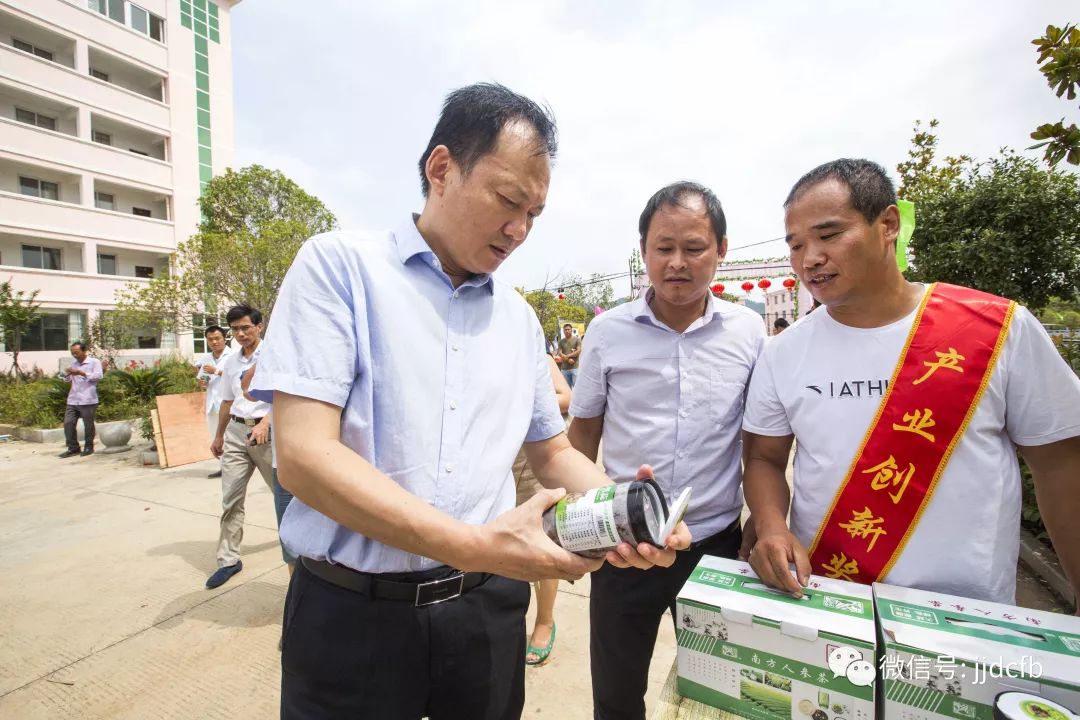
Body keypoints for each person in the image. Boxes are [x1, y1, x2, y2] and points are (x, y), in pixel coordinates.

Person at [248, 82, 691, 720]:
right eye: (508, 201)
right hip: (353, 615)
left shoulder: (517, 320)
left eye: (535, 214)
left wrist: (625, 514)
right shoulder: (340, 268)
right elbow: (305, 456)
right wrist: (474, 544)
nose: (519, 230)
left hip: (485, 614)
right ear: (441, 169)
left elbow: (554, 451)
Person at [742, 158, 1080, 606]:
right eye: (796, 244)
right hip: (827, 598)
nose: (810, 259)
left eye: (828, 236)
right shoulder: (782, 353)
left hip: (968, 618)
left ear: (888, 224)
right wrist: (772, 526)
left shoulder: (998, 328)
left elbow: (1060, 465)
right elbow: (765, 458)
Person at [568, 182, 765, 720]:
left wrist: (764, 519)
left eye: (694, 247)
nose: (677, 262)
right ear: (644, 250)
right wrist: (577, 525)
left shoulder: (749, 332)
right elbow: (581, 434)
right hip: (623, 546)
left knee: (720, 694)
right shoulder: (608, 332)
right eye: (663, 248)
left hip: (715, 547)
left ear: (721, 250)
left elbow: (759, 441)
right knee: (616, 689)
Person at [205, 304, 274, 590]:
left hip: (267, 433)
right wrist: (219, 435)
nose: (241, 333)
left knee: (289, 497)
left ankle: (305, 554)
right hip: (235, 431)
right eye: (235, 329)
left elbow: (285, 396)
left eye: (246, 327)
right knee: (231, 498)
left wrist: (265, 423)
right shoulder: (231, 361)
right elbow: (226, 400)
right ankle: (229, 560)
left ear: (258, 326)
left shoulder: (274, 354)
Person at [513, 355, 571, 666]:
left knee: (543, 543)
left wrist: (517, 401)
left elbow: (565, 397)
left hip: (529, 463)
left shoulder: (535, 351)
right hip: (491, 463)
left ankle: (544, 620)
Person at [240, 363, 295, 576]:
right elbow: (247, 390)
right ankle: (296, 598)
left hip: (325, 464)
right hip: (284, 465)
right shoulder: (275, 358)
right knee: (291, 542)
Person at [195, 325, 234, 478]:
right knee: (216, 437)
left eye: (217, 338)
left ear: (224, 338)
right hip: (212, 403)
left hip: (229, 402)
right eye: (210, 339)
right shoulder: (206, 359)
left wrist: (216, 371)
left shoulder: (234, 355)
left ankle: (234, 468)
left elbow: (237, 377)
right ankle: (223, 467)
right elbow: (202, 379)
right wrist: (203, 382)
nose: (214, 342)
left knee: (231, 437)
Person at [59, 342, 103, 458]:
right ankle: (73, 448)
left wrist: (81, 372)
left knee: (88, 425)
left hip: (87, 399)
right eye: (72, 353)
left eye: (77, 353)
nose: (74, 355)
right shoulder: (74, 363)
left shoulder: (94, 362)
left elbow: (98, 377)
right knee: (68, 423)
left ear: (84, 351)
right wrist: (67, 375)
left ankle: (89, 447)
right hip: (73, 399)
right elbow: (68, 380)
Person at [555, 323, 581, 388]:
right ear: (563, 331)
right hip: (564, 369)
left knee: (577, 388)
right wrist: (568, 359)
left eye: (568, 329)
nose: (567, 331)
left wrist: (567, 355)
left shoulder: (577, 340)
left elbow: (578, 351)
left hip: (575, 368)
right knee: (567, 389)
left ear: (571, 330)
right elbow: (560, 353)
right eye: (565, 330)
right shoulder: (561, 342)